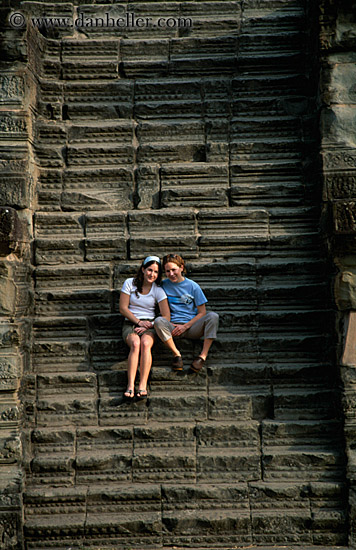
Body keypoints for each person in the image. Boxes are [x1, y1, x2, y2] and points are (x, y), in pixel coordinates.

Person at [154, 253, 219, 373]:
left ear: (181, 268)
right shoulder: (163, 285)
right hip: (172, 326)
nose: (171, 274)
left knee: (213, 317)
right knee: (158, 321)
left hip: (192, 327)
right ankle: (176, 355)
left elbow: (202, 312)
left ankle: (202, 356)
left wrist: (185, 326)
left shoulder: (193, 286)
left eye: (174, 270)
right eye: (168, 271)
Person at [119, 255, 170, 400]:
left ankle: (142, 385)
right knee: (135, 344)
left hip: (150, 325)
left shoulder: (158, 290)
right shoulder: (130, 283)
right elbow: (123, 308)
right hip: (131, 322)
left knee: (145, 343)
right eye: (149, 270)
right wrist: (138, 322)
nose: (152, 274)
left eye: (155, 272)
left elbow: (166, 316)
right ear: (143, 269)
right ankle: (130, 385)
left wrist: (151, 324)